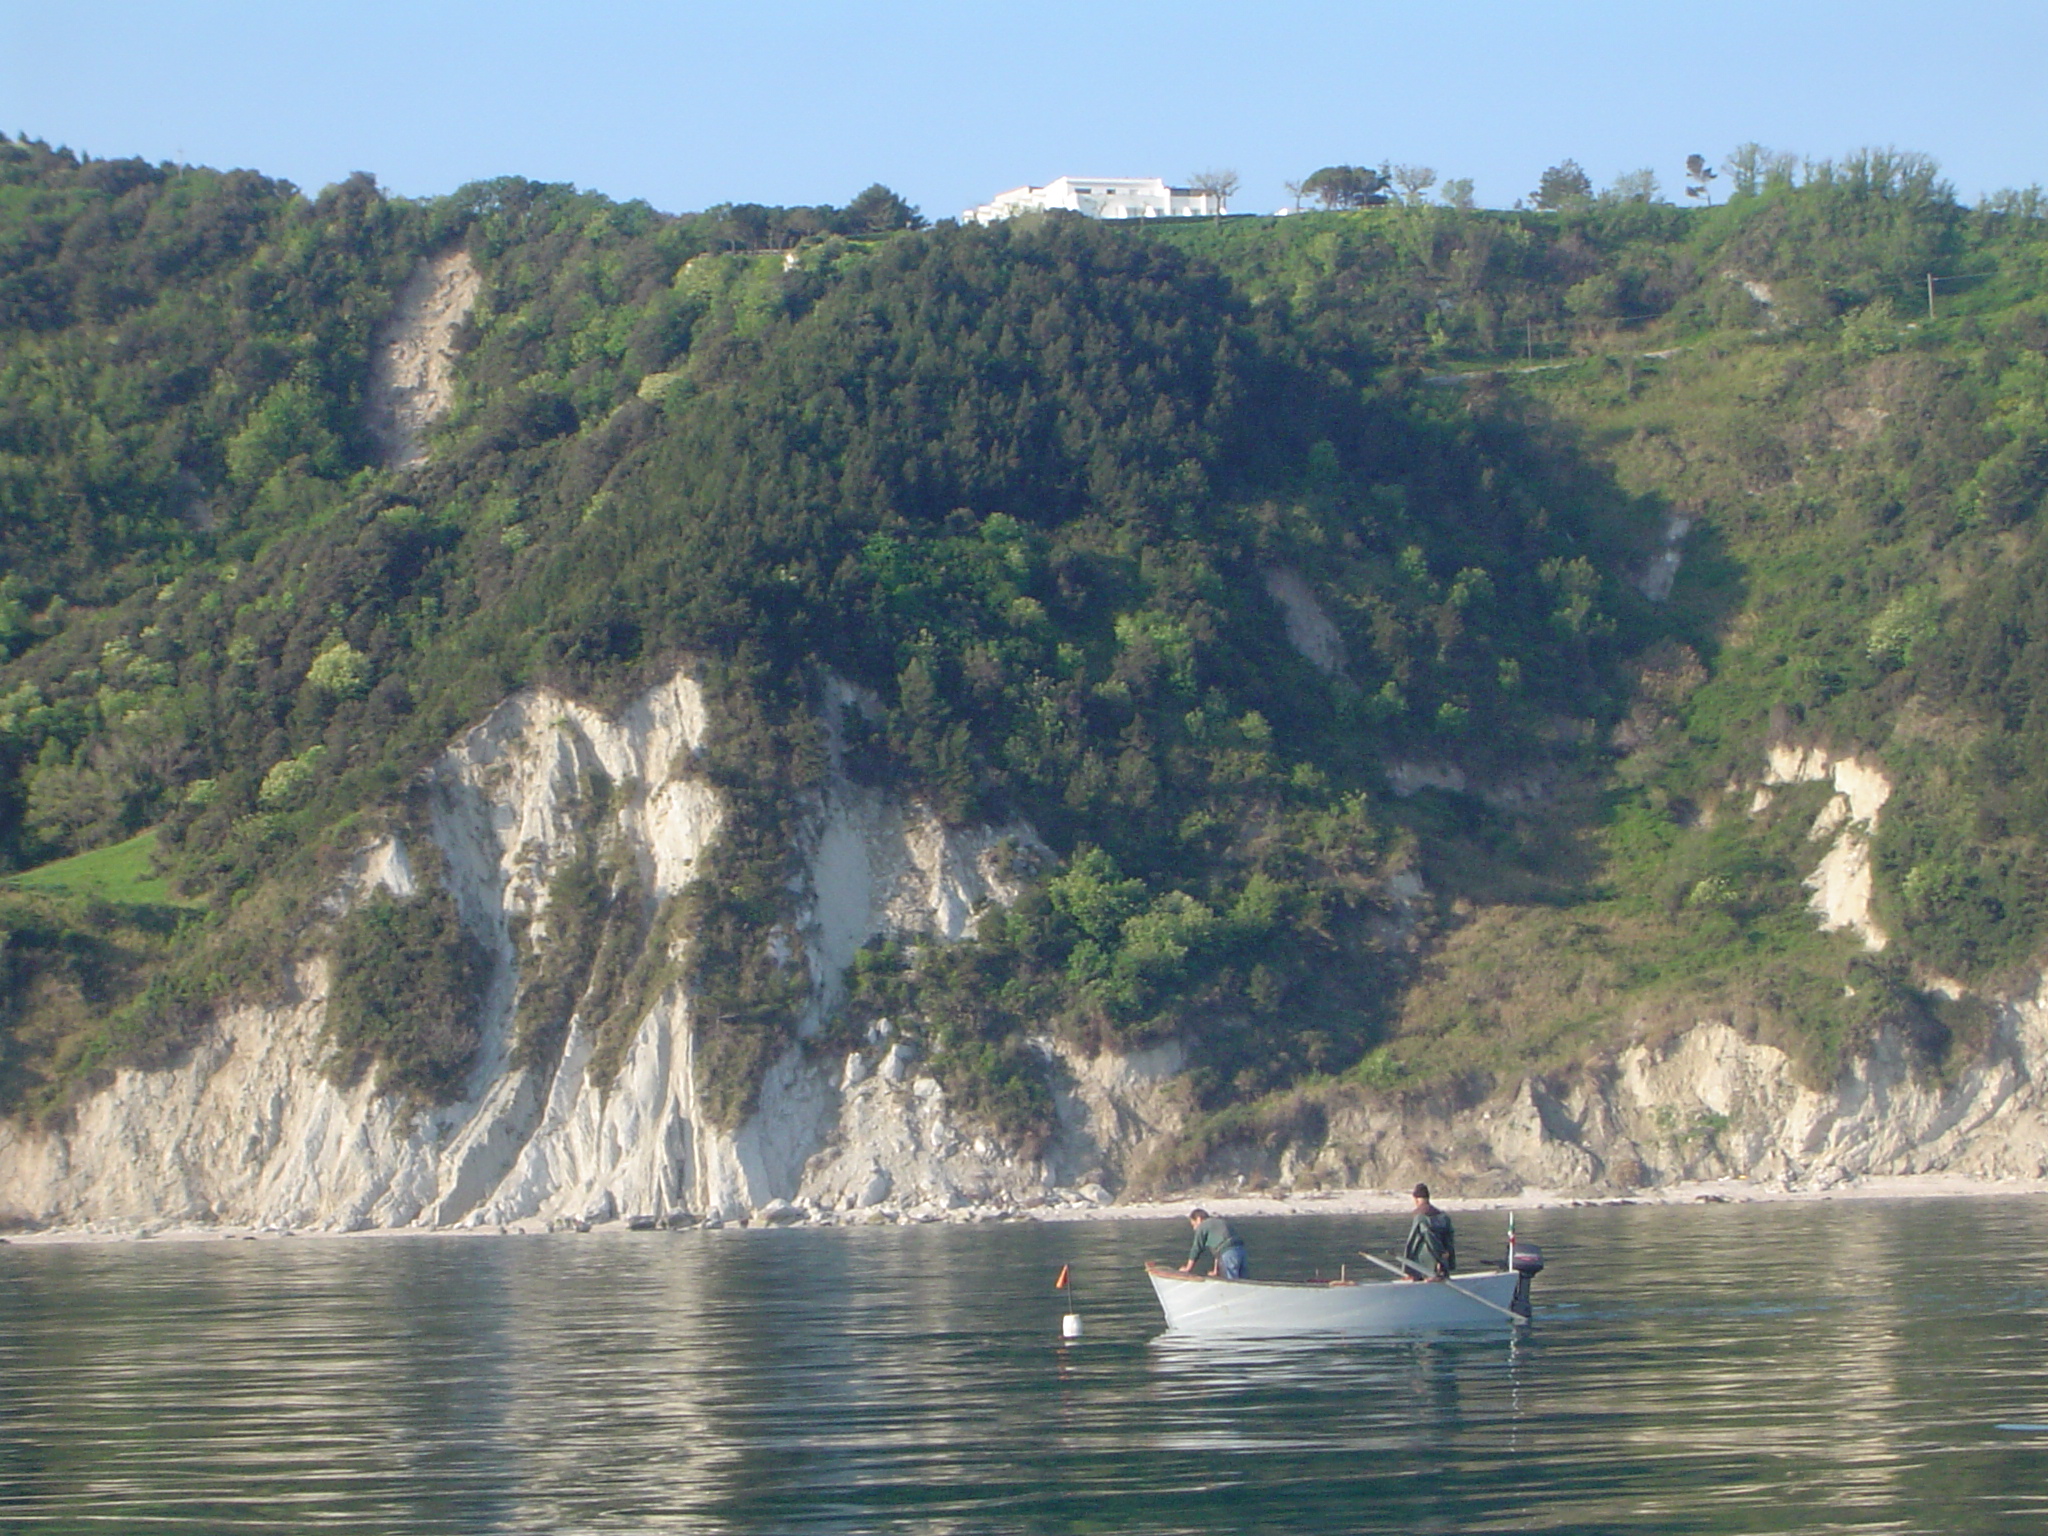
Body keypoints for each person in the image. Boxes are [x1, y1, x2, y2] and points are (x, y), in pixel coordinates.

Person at [1403, 1183, 1455, 1280]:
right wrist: (1444, 1260)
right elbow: (1449, 1240)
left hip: (1427, 1264)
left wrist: (1408, 1269)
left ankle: (1417, 1274)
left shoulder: (1420, 1216)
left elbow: (1417, 1241)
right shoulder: (1443, 1216)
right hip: (1442, 1263)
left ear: (1416, 1199)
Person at [1181, 1208, 1248, 1280]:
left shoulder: (1203, 1225)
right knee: (1243, 1281)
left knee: (1230, 1281)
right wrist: (1215, 1271)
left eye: (1193, 1225)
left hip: (1228, 1253)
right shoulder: (1219, 1222)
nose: (1194, 1228)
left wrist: (1188, 1268)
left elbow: (1196, 1248)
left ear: (1198, 1219)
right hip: (1241, 1250)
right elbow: (1218, 1252)